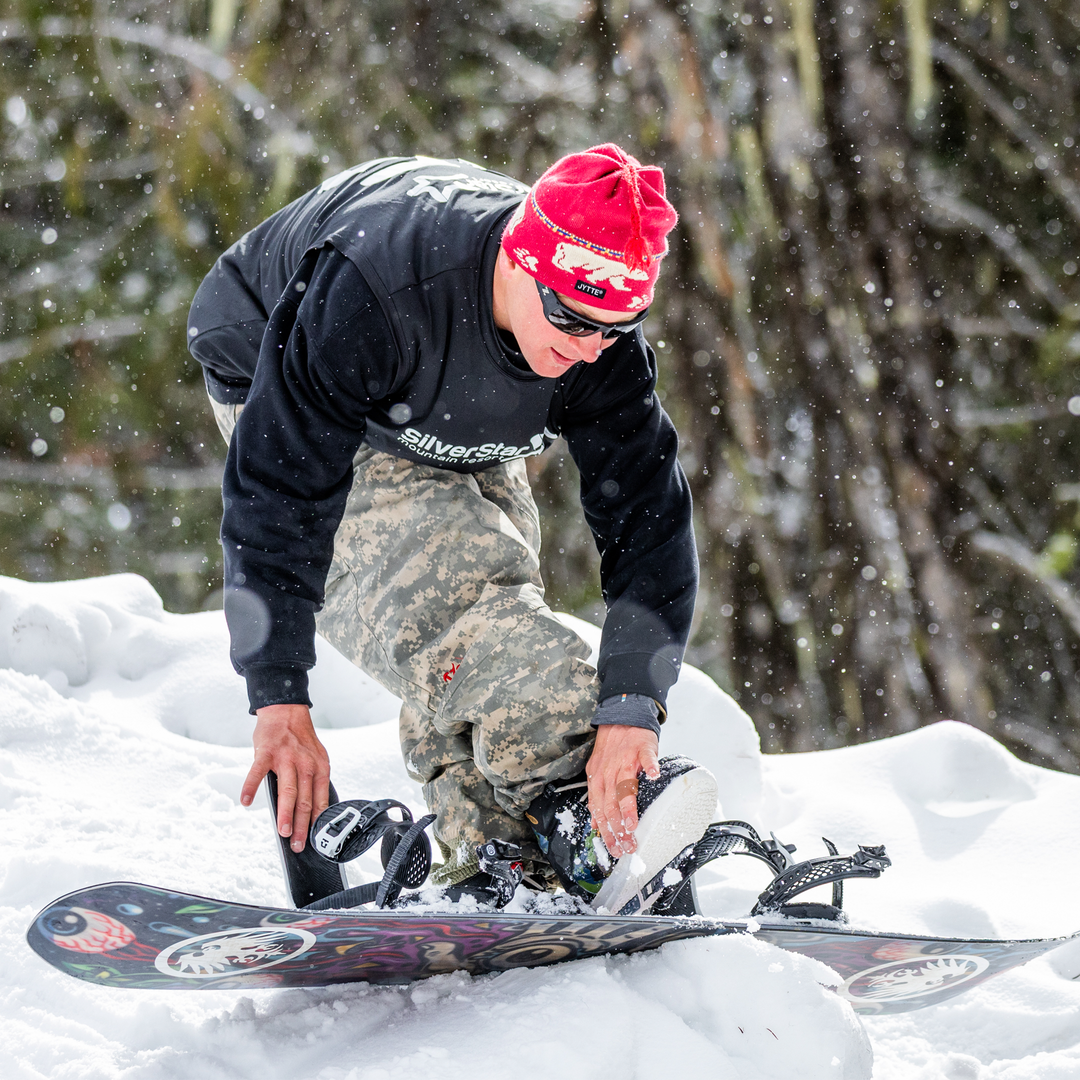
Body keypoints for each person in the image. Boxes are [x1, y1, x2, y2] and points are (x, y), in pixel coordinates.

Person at [187, 145, 714, 910]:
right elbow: (280, 491)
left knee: (486, 621)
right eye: (569, 318)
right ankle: (589, 819)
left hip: (454, 397)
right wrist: (279, 694)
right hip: (311, 387)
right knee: (468, 620)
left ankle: (498, 859)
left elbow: (649, 522)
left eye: (614, 326)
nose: (584, 349)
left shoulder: (596, 347)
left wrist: (634, 706)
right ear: (518, 259)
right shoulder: (374, 287)